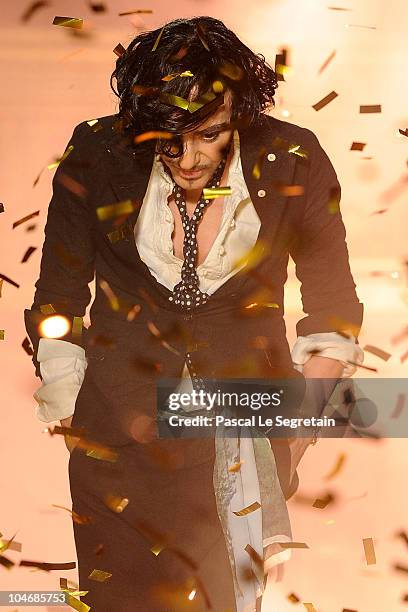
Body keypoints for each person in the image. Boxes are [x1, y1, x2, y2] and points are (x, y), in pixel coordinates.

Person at [24, 16, 364, 612]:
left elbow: (332, 307)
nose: (186, 158)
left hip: (245, 439)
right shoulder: (99, 152)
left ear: (241, 110)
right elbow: (58, 292)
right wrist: (72, 398)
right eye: (166, 137)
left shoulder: (292, 157)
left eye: (209, 134)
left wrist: (299, 430)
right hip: (118, 443)